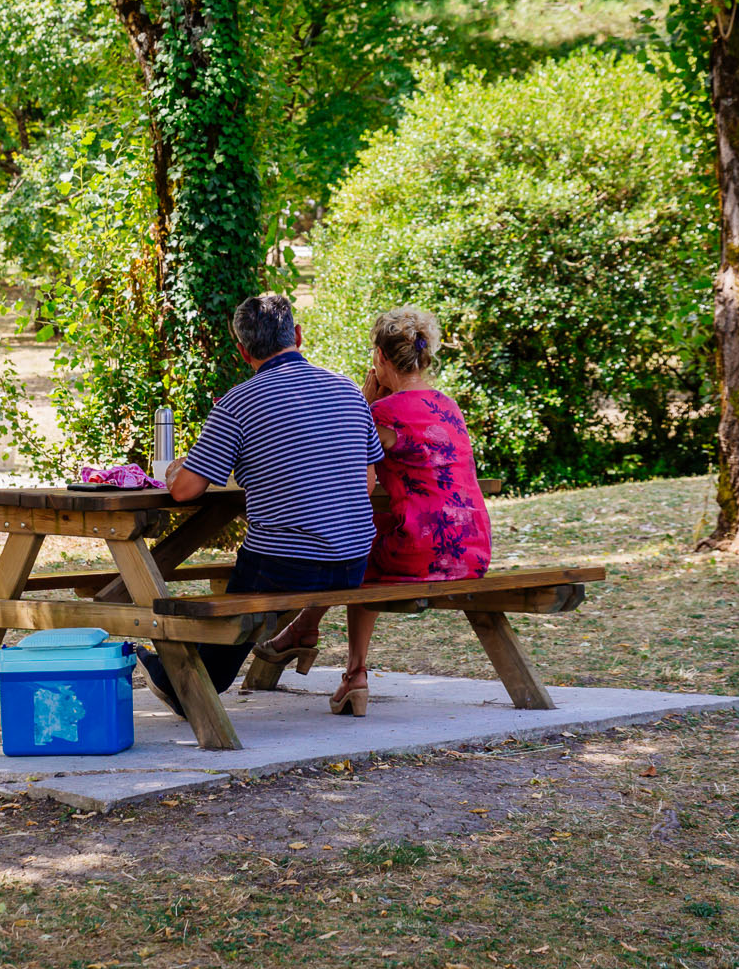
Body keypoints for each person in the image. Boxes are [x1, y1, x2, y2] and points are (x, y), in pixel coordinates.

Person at [140, 293, 382, 718]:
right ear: (299, 336)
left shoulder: (238, 403)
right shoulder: (348, 389)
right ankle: (202, 668)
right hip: (352, 559)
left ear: (243, 350)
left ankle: (196, 682)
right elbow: (366, 482)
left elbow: (184, 491)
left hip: (287, 562)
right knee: (261, 571)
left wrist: (178, 467)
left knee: (256, 571)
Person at [252, 306, 491, 716]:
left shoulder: (381, 413)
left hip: (424, 549)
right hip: (473, 548)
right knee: (364, 543)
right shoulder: (448, 405)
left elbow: (346, 474)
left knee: (354, 550)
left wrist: (365, 400)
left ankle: (351, 667)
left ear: (379, 358)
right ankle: (305, 633)